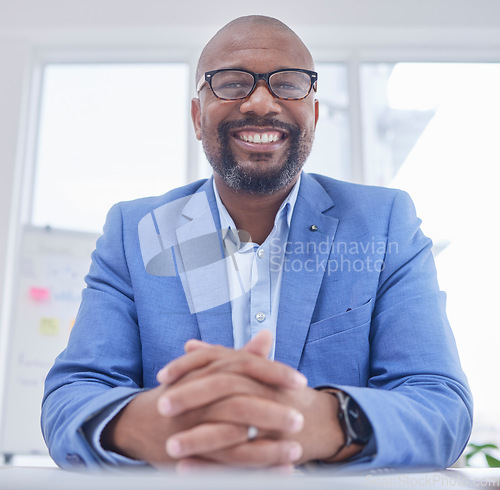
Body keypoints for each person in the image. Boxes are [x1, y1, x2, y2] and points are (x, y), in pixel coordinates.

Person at [41, 15, 472, 471]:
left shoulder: (384, 224)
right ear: (196, 116)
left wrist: (324, 421)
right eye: (230, 84)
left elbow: (440, 404)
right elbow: (71, 395)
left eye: (288, 85)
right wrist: (152, 424)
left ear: (315, 113)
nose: (261, 102)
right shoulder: (135, 231)